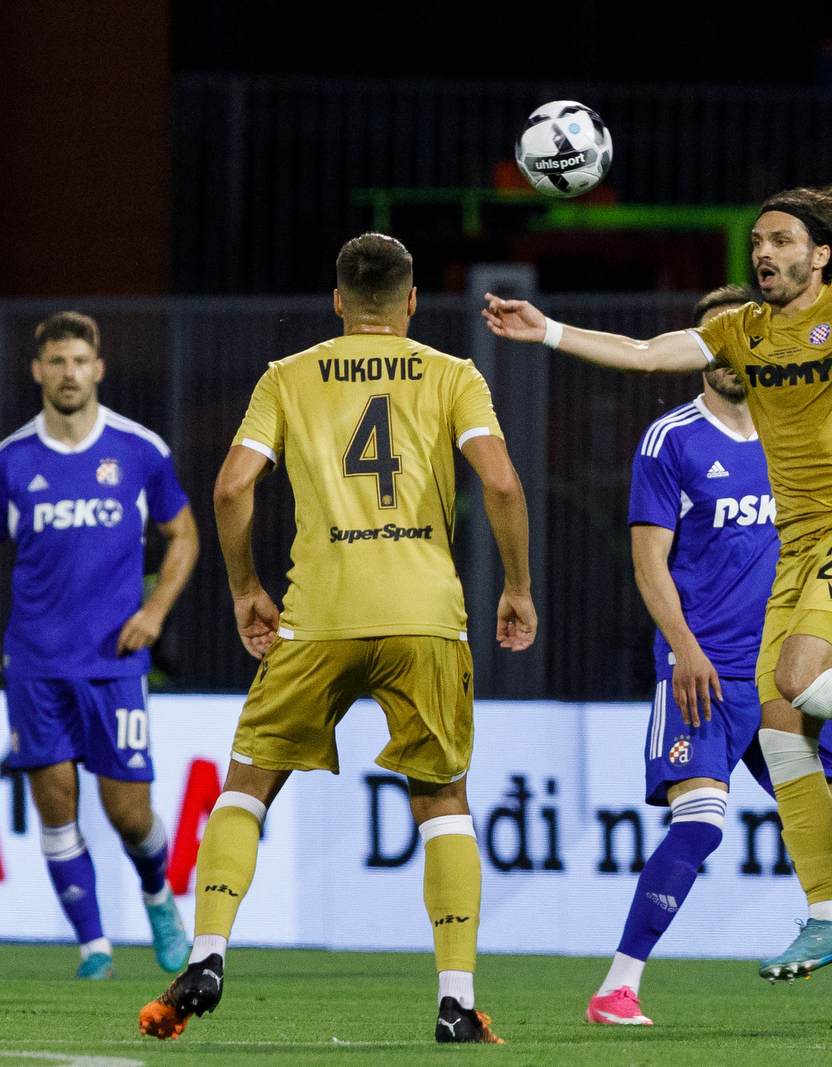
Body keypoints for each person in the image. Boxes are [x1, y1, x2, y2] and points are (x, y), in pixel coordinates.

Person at [485, 182, 832, 987]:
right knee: (785, 721)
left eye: (783, 241)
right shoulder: (739, 332)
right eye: (758, 242)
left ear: (820, 255)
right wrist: (547, 330)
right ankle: (827, 915)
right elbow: (648, 354)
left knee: (798, 679)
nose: (765, 253)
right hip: (798, 551)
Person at [137, 234, 537, 1043]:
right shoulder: (452, 374)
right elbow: (498, 479)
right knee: (443, 800)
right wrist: (518, 587)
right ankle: (455, 1002)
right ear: (414, 300)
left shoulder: (288, 377)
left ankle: (208, 952)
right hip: (425, 616)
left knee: (247, 785)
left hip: (316, 616)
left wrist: (247, 587)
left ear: (336, 301)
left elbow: (230, 486)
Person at [587, 286, 832, 1030]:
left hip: (792, 672)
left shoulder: (807, 434)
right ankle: (617, 988)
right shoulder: (672, 441)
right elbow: (649, 565)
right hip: (705, 671)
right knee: (700, 820)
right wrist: (685, 650)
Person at [0, 311, 199, 979]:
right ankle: (94, 949)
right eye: (56, 361)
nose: (68, 373)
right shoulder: (12, 460)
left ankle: (157, 895)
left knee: (129, 811)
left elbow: (186, 536)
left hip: (112, 663)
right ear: (37, 370)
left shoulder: (138, 450)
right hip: (33, 664)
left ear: (99, 368)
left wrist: (155, 611)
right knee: (57, 807)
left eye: (79, 361)